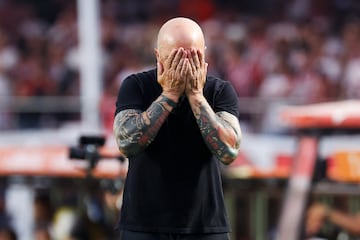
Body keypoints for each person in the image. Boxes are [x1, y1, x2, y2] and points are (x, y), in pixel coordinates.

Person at [113, 17, 242, 240]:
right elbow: (126, 144)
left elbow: (229, 151)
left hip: (205, 226)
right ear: (158, 57)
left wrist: (196, 96)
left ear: (204, 55)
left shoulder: (219, 91)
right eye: (175, 58)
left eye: (192, 56)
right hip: (144, 226)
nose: (184, 64)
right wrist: (169, 95)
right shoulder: (136, 85)